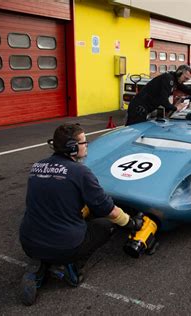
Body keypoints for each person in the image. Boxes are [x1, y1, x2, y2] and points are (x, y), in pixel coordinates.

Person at [19, 123, 143, 305]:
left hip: (28, 242)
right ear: (72, 147)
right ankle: (71, 267)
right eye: (84, 142)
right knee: (107, 226)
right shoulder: (80, 172)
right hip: (65, 245)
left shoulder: (37, 166)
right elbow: (108, 209)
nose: (87, 145)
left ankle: (40, 269)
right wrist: (131, 223)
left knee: (54, 227)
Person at [126, 65, 191, 126]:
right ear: (179, 73)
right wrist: (176, 108)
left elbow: (188, 90)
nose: (185, 81)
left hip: (144, 108)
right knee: (133, 131)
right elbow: (163, 100)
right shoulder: (168, 79)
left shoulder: (175, 80)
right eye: (185, 78)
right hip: (139, 108)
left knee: (135, 131)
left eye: (188, 79)